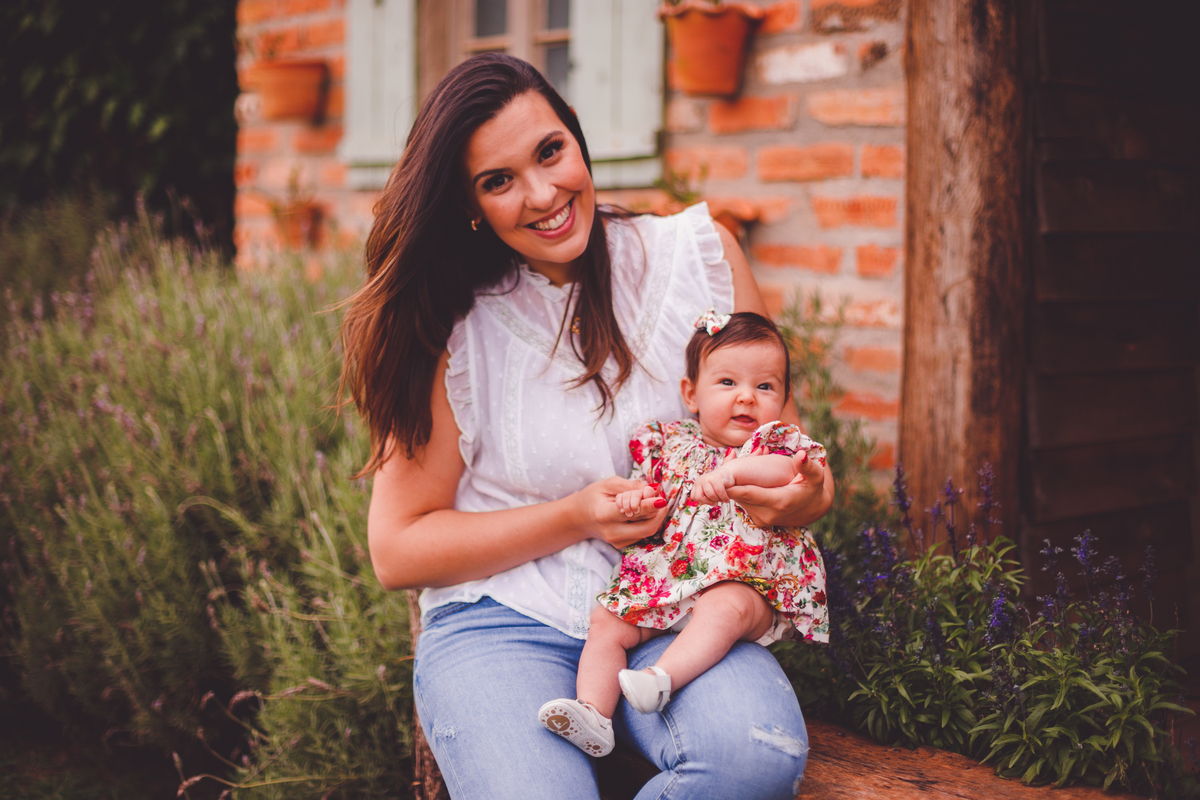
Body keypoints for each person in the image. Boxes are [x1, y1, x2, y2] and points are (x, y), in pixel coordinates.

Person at [340, 53, 833, 800]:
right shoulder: (450, 323)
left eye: (550, 151)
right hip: (503, 621)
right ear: (469, 204)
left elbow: (791, 460)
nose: (543, 194)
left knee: (752, 758)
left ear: (577, 134)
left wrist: (805, 497)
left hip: (679, 607)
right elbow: (397, 549)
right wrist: (574, 517)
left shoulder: (700, 259)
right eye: (498, 181)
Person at [537, 311, 829, 758]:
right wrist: (636, 499)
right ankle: (593, 713)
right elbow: (651, 491)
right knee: (608, 621)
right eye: (728, 382)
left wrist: (733, 472)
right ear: (691, 394)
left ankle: (660, 679)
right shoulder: (670, 441)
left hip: (747, 581)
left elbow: (786, 471)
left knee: (724, 607)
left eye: (765, 387)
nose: (746, 397)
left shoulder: (772, 447)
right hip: (669, 582)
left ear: (784, 397)